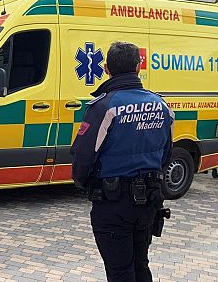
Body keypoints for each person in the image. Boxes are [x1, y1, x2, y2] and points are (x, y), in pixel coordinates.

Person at [72, 41, 173, 282]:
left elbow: (83, 156)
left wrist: (82, 182)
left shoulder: (104, 106)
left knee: (120, 272)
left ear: (106, 68)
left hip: (113, 202)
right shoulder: (161, 105)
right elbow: (166, 153)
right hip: (148, 200)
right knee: (140, 265)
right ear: (138, 67)